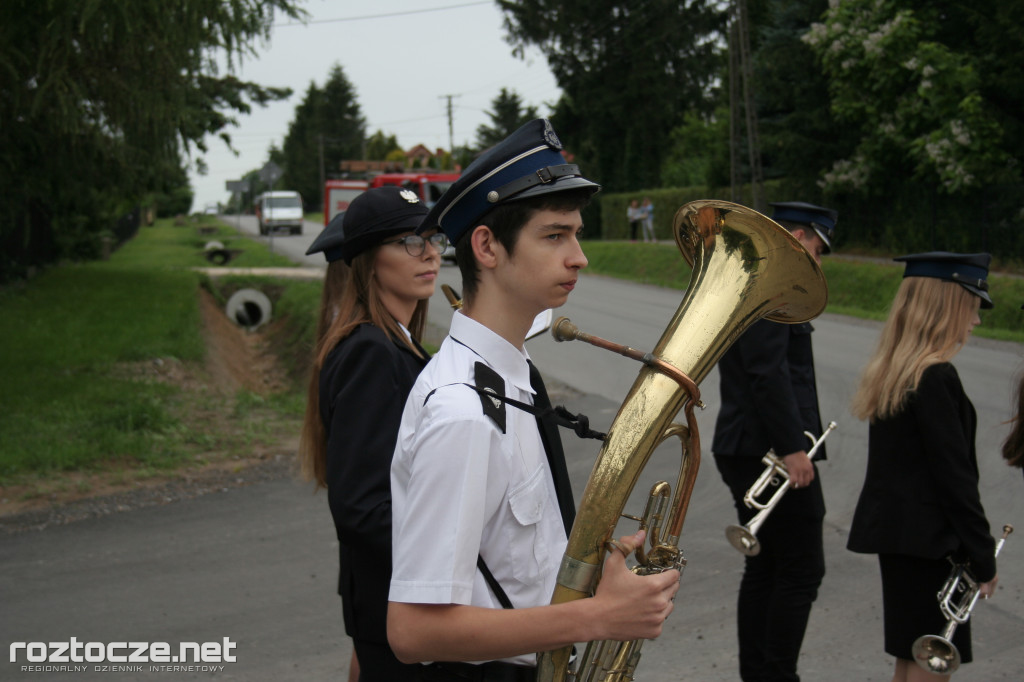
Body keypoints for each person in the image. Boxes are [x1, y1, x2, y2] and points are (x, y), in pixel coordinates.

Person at [387, 118, 681, 681]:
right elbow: (413, 631)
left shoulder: (510, 373)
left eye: (575, 234)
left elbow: (505, 559)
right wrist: (599, 616)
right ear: (486, 246)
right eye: (554, 236)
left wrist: (596, 576)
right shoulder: (463, 412)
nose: (579, 257)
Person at [298, 186, 447, 682]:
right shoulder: (370, 351)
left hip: (392, 597)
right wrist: (457, 549)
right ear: (367, 261)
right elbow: (362, 508)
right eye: (409, 241)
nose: (430, 252)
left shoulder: (393, 344)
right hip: (400, 600)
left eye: (433, 237)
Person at [847, 252, 998, 682]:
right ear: (946, 308)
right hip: (932, 547)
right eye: (971, 308)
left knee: (910, 661)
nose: (976, 322)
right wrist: (982, 556)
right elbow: (955, 480)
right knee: (930, 667)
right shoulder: (935, 377)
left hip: (902, 545)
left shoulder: (897, 373)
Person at [711, 200, 838, 682]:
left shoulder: (758, 286)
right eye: (818, 248)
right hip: (766, 448)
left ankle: (759, 674)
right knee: (802, 570)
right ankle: (777, 675)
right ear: (800, 236)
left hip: (748, 442)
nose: (818, 261)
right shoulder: (773, 288)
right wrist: (792, 447)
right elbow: (768, 373)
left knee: (766, 567)